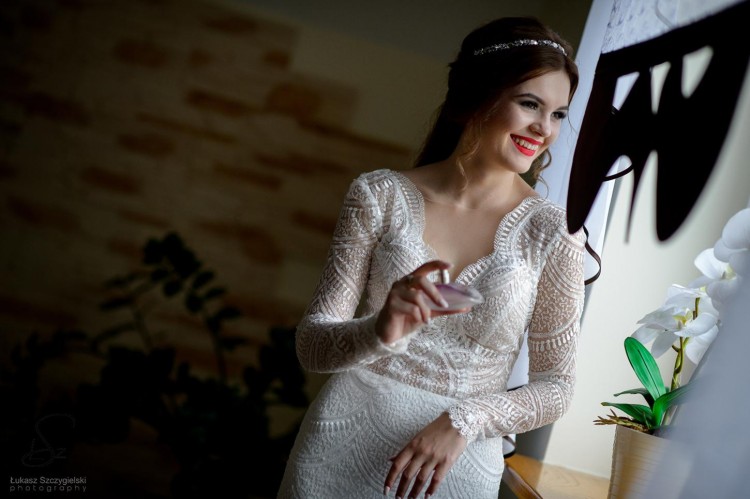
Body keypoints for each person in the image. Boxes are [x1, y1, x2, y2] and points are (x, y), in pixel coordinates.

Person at [278, 17, 586, 499]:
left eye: (559, 114)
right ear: (478, 96)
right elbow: (311, 347)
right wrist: (379, 329)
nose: (544, 129)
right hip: (335, 454)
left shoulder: (554, 233)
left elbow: (557, 387)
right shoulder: (379, 195)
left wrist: (466, 419)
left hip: (455, 470)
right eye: (530, 104)